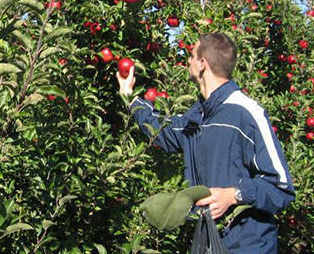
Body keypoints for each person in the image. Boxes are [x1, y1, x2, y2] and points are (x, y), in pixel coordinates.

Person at [116, 33, 295, 254]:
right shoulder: (198, 116)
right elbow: (162, 132)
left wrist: (234, 195)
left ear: (203, 64)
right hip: (209, 241)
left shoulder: (246, 113)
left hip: (247, 244)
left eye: (192, 55)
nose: (188, 61)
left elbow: (281, 187)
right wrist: (129, 97)